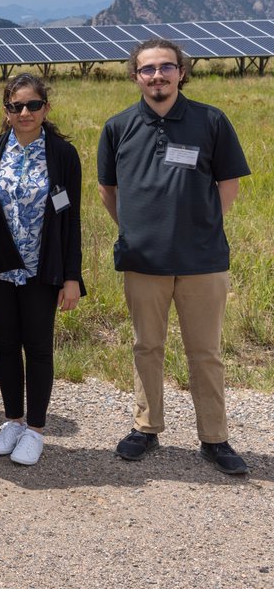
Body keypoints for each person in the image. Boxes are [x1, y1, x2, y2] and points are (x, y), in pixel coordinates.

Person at [98, 38, 251, 475]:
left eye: (167, 67)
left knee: (205, 351)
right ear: (135, 76)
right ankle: (146, 428)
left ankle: (215, 438)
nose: (158, 75)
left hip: (203, 261)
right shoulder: (118, 126)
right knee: (147, 346)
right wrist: (132, 230)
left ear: (181, 72)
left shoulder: (211, 121)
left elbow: (229, 183)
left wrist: (203, 226)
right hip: (143, 260)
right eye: (148, 69)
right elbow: (108, 190)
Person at [0, 74, 84, 467]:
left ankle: (35, 429)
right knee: (4, 345)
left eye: (33, 105)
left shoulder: (63, 156)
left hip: (40, 268)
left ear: (45, 108)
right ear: (6, 111)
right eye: (16, 106)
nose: (25, 113)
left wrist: (71, 277)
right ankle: (12, 421)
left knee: (36, 347)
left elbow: (71, 219)